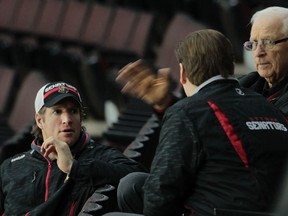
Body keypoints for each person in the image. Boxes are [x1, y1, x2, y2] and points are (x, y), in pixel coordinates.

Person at [104, 29, 288, 216]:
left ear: (182, 72)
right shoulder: (267, 105)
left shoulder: (188, 111)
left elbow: (160, 193)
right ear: (231, 67)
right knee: (132, 185)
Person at [0, 82, 146, 215]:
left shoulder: (98, 155)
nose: (67, 119)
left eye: (73, 111)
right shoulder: (11, 167)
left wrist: (74, 167)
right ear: (40, 120)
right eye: (57, 112)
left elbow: (139, 178)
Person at [116, 6, 288, 117]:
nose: (258, 53)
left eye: (268, 42)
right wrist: (166, 103)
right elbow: (206, 119)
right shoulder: (247, 84)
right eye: (254, 43)